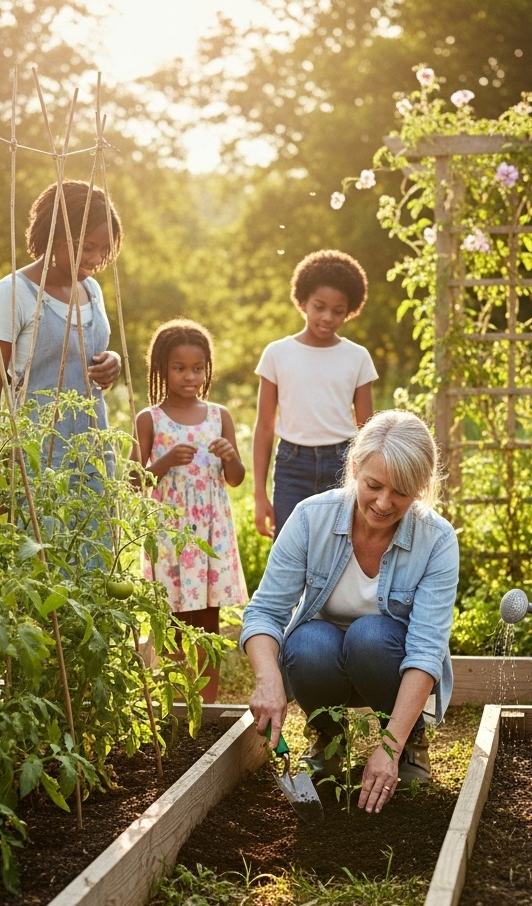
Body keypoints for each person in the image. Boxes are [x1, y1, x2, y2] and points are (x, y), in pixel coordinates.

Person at [244, 410, 459, 814]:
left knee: (369, 636)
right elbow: (265, 613)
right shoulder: (311, 519)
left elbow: (427, 650)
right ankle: (327, 739)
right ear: (355, 468)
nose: (383, 502)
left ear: (421, 488)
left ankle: (409, 743)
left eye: (401, 492)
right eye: (373, 485)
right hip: (322, 665)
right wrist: (268, 680)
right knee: (306, 641)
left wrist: (389, 748)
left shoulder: (437, 539)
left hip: (386, 663)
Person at [136, 319, 248, 702]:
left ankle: (209, 702)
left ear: (207, 368)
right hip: (169, 532)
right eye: (179, 368)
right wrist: (163, 463)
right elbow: (134, 482)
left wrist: (231, 456)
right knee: (170, 617)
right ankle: (175, 700)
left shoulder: (219, 416)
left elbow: (235, 479)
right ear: (161, 369)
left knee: (206, 620)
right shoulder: (149, 418)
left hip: (209, 534)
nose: (189, 376)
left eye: (197, 368)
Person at [0, 180, 122, 464]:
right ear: (54, 235)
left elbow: (81, 362)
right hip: (35, 453)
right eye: (87, 247)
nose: (95, 258)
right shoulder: (13, 292)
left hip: (92, 451)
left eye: (104, 249)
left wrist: (111, 361)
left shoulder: (92, 290)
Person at [253, 249, 378, 540]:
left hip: (343, 464)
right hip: (291, 467)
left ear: (350, 310)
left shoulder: (357, 357)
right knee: (289, 553)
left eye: (338, 311)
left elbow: (367, 430)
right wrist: (259, 495)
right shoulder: (277, 353)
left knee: (339, 552)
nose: (327, 317)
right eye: (319, 307)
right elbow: (264, 427)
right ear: (302, 301)